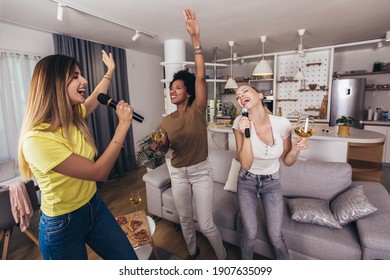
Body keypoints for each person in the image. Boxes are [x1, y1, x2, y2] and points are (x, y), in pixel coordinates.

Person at [18, 50, 138, 260]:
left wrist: (109, 72)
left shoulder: (71, 117)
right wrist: (123, 126)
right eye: (74, 76)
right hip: (62, 224)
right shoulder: (36, 140)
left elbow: (96, 97)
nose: (84, 80)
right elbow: (98, 172)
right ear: (54, 84)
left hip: (93, 205)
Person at [153, 8, 227, 260]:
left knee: (205, 224)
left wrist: (196, 40)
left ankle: (223, 258)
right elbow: (166, 148)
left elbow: (201, 79)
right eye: (170, 88)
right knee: (185, 218)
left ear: (189, 92)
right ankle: (193, 254)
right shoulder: (166, 120)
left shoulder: (197, 109)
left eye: (177, 87)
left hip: (200, 172)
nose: (172, 91)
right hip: (178, 173)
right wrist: (159, 148)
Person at [233, 85, 309, 260]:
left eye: (245, 91)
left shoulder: (282, 123)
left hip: (272, 182)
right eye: (237, 96)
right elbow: (246, 163)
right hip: (247, 181)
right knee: (250, 234)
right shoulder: (239, 123)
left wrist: (297, 150)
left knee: (275, 235)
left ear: (260, 96)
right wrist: (247, 133)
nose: (240, 96)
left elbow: (287, 161)